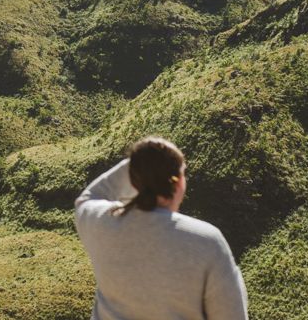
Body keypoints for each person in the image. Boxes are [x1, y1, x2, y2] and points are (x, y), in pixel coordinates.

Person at [74, 136, 249, 320]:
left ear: (133, 179)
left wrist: (140, 162)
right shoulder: (207, 242)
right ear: (180, 183)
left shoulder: (102, 223)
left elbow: (88, 197)